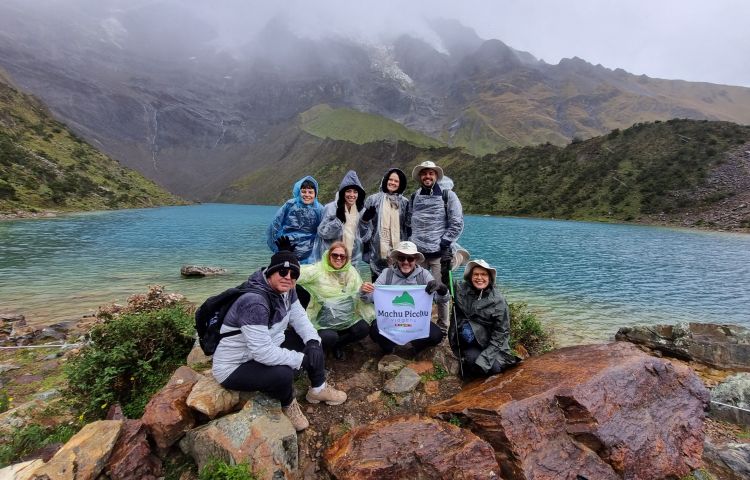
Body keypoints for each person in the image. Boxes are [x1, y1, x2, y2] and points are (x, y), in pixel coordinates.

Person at [211, 245, 347, 432]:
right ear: (271, 272)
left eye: (294, 274)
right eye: (283, 271)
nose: (288, 277)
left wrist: (313, 343)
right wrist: (301, 359)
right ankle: (287, 403)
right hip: (236, 365)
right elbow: (262, 352)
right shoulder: (254, 302)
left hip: (270, 343)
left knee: (325, 338)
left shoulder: (287, 289)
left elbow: (299, 318)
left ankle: (318, 389)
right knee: (283, 373)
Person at [406, 160, 464, 334]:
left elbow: (457, 222)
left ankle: (443, 326)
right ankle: (418, 322)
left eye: (431, 173)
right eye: (424, 173)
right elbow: (409, 221)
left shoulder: (448, 196)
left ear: (437, 176)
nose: (427, 176)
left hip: (438, 253)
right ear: (420, 177)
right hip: (418, 254)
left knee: (440, 289)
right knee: (418, 288)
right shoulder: (415, 196)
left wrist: (444, 243)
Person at [360, 241, 447, 354]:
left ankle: (414, 348)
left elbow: (441, 299)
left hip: (416, 321)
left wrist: (442, 290)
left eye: (410, 259)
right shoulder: (387, 274)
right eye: (402, 258)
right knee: (374, 331)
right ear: (397, 259)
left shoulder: (424, 275)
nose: (406, 262)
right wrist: (364, 291)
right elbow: (369, 298)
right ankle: (390, 349)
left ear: (415, 259)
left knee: (436, 335)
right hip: (391, 321)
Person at [296, 241, 375, 360]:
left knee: (363, 328)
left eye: (342, 256)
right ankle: (321, 349)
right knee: (329, 337)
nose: (338, 258)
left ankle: (338, 345)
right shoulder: (317, 270)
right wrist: (284, 257)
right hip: (323, 321)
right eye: (335, 255)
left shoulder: (351, 272)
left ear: (346, 258)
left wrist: (363, 290)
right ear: (329, 256)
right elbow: (294, 273)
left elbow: (358, 295)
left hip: (347, 318)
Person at [449, 259, 521, 379]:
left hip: (491, 343)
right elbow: (448, 283)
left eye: (484, 274)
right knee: (473, 361)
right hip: (471, 342)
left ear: (490, 277)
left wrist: (485, 358)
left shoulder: (498, 301)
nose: (479, 278)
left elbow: (501, 333)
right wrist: (445, 265)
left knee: (494, 368)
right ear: (470, 277)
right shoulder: (462, 290)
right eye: (476, 274)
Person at [360, 168, 409, 282]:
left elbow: (407, 227)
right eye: (390, 180)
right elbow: (363, 228)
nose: (392, 183)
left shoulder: (405, 202)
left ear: (400, 184)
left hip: (399, 251)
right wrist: (365, 219)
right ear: (386, 180)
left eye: (396, 181)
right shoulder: (373, 200)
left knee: (398, 283)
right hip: (377, 251)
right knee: (378, 285)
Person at [266, 176, 324, 265]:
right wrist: (277, 247)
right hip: (287, 247)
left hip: (311, 252)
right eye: (303, 192)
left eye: (310, 192)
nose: (307, 195)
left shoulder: (319, 209)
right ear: (298, 192)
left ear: (315, 194)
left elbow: (324, 229)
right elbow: (274, 225)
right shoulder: (290, 204)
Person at [316, 170, 367, 264]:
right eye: (348, 191)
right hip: (332, 258)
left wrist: (365, 222)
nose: (352, 195)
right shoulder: (331, 208)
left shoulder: (361, 211)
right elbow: (322, 233)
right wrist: (338, 221)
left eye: (355, 192)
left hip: (353, 259)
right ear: (343, 193)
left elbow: (365, 238)